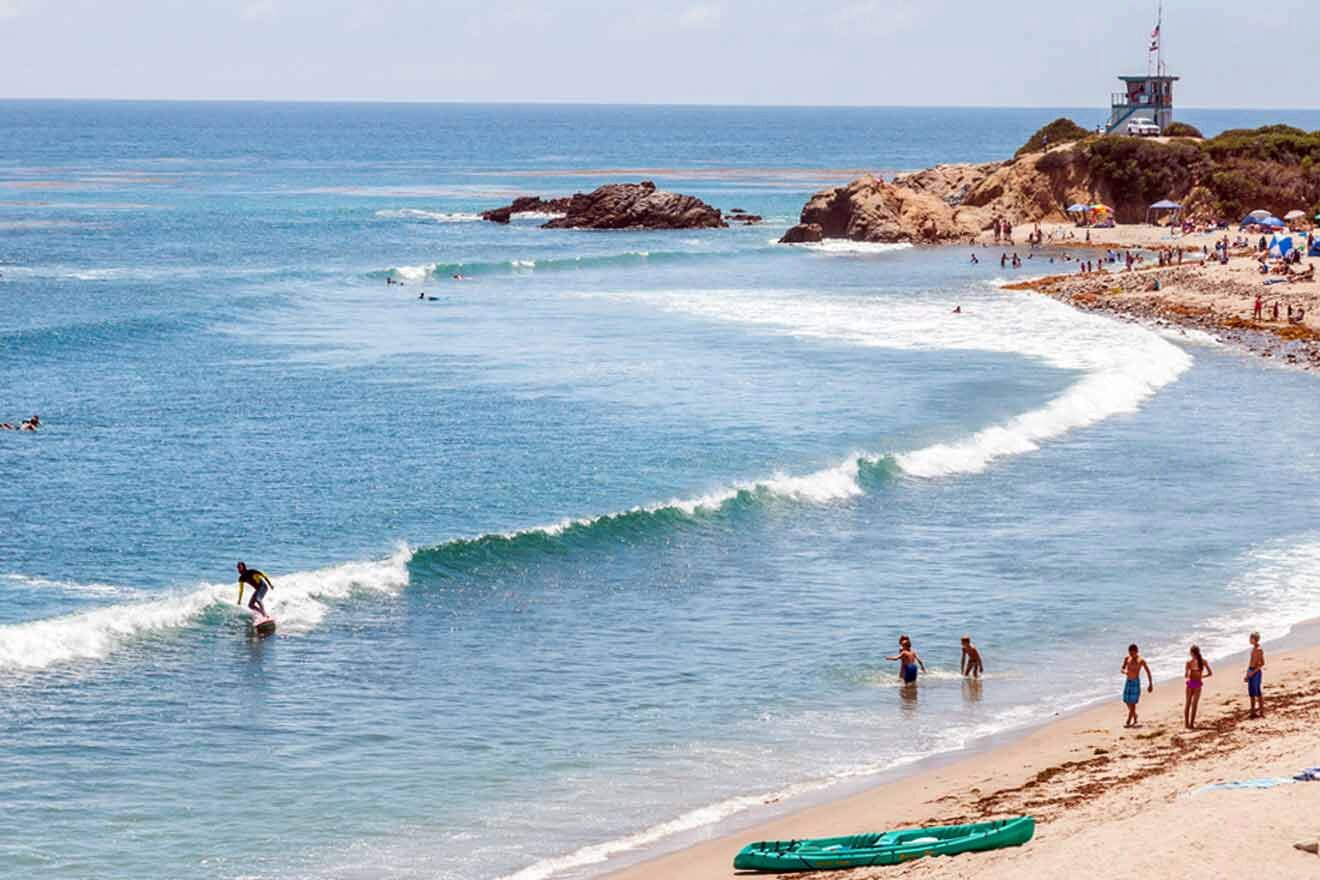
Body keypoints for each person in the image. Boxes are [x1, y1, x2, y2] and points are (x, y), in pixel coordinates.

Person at [1121, 643, 1153, 728]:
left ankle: (1129, 720)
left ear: (1136, 651)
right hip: (1128, 681)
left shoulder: (1141, 661)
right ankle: (1135, 715)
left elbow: (1148, 672)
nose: (1131, 654)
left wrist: (1150, 684)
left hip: (1135, 682)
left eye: (1132, 653)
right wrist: (1124, 672)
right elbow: (1122, 668)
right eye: (1130, 653)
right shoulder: (1127, 658)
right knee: (1126, 700)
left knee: (1133, 702)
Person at [1184, 645, 1212, 729]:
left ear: (1192, 653)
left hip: (1190, 683)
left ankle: (1186, 724)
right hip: (1198, 684)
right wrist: (1201, 677)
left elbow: (1186, 675)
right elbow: (1210, 673)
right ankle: (1192, 724)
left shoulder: (1188, 663)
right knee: (1194, 705)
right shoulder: (1203, 661)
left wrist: (1189, 673)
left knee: (1188, 704)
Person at [1245, 632, 1265, 718]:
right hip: (1251, 670)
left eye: (1251, 638)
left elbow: (1262, 663)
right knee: (1251, 693)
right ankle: (1252, 711)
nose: (1249, 640)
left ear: (1254, 639)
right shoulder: (1253, 649)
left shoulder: (1259, 650)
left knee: (1257, 692)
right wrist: (1247, 673)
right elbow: (1251, 662)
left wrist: (1252, 672)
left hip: (1255, 672)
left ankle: (1261, 711)